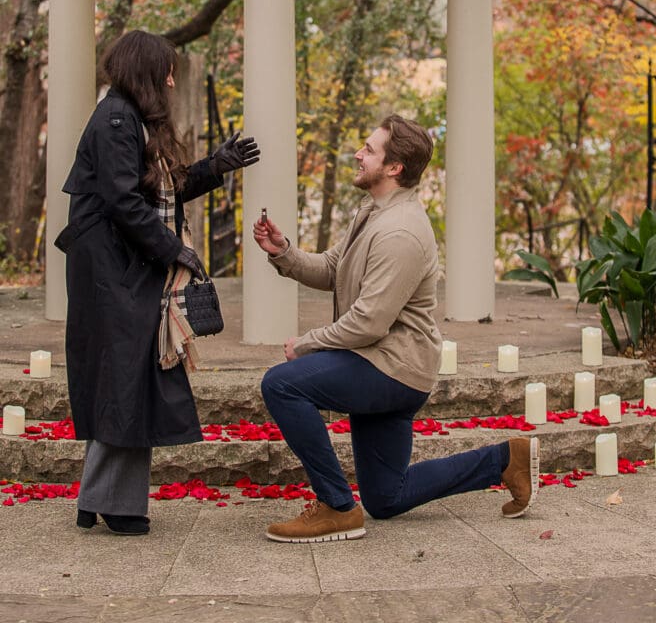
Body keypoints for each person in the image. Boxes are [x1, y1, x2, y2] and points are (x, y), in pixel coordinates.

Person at [253, 113, 539, 543]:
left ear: (394, 167)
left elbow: (369, 321)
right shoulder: (373, 211)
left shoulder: (401, 231)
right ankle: (504, 460)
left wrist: (308, 344)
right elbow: (334, 267)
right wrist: (285, 253)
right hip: (380, 362)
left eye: (369, 150)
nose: (357, 154)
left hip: (392, 368)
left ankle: (335, 507)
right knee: (387, 497)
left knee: (282, 384)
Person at [56, 30, 260, 535]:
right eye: (165, 70)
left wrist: (216, 166)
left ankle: (98, 499)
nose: (171, 79)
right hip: (111, 269)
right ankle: (117, 505)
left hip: (120, 266)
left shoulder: (131, 120)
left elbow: (162, 187)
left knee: (128, 378)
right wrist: (176, 251)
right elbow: (125, 202)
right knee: (127, 379)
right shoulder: (117, 118)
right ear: (144, 71)